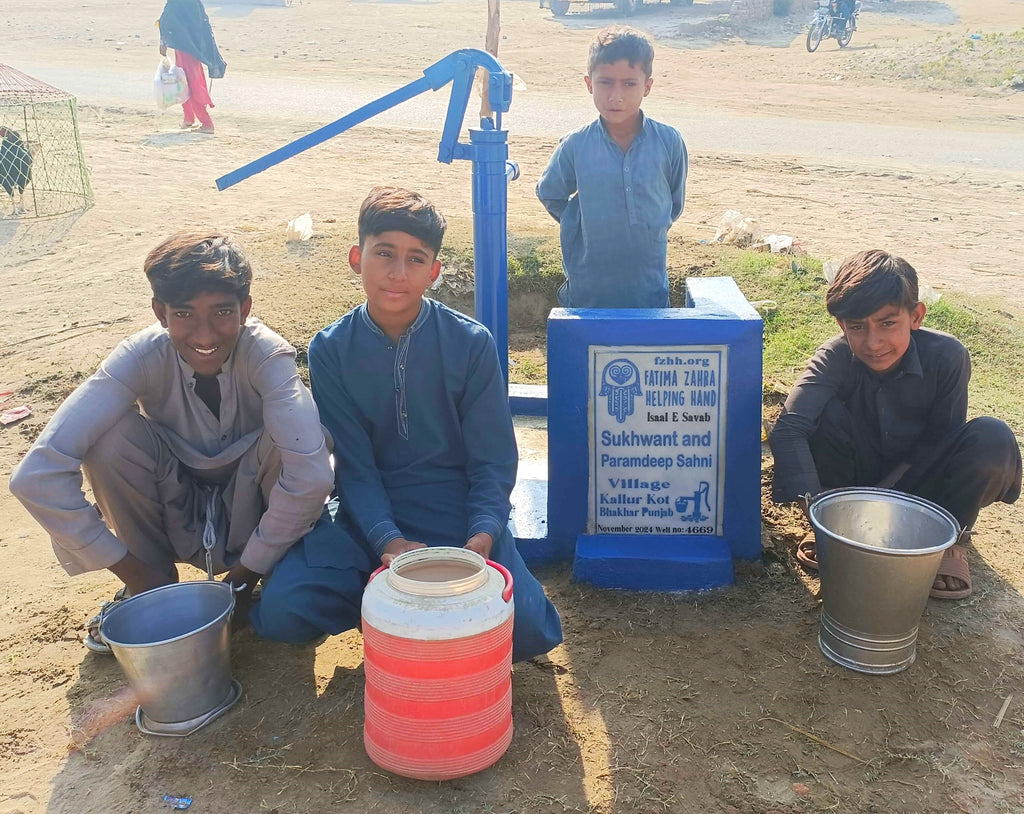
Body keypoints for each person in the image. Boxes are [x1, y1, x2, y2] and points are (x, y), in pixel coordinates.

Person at [251, 187, 563, 662]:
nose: (398, 274)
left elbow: (493, 460)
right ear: (357, 258)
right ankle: (390, 619)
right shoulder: (330, 349)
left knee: (526, 629)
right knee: (283, 609)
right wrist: (388, 542)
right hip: (366, 514)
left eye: (415, 260)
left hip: (456, 511)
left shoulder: (470, 343)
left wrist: (480, 536)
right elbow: (353, 466)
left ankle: (427, 620)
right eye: (384, 254)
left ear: (434, 271)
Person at [9, 232, 335, 651]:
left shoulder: (268, 356)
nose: (204, 334)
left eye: (222, 311)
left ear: (245, 309)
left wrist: (244, 577)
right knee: (110, 439)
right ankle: (152, 590)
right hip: (175, 503)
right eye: (184, 313)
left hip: (255, 510)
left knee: (297, 441)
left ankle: (271, 574)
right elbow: (36, 475)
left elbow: (310, 476)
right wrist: (136, 573)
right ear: (160, 313)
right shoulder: (138, 357)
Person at [769, 249, 1021, 599]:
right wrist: (818, 510)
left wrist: (890, 494)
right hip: (849, 481)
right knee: (817, 414)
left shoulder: (947, 356)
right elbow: (790, 428)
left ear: (916, 316)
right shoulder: (835, 356)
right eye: (857, 327)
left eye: (888, 323)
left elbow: (941, 440)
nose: (873, 342)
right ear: (842, 325)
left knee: (992, 436)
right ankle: (834, 522)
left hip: (918, 482)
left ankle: (949, 540)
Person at [535, 26, 687, 309]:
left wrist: (647, 223)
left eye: (629, 84)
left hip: (648, 290)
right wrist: (581, 222)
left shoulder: (668, 141)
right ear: (589, 83)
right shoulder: (576, 145)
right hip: (588, 292)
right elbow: (550, 193)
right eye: (606, 82)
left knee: (645, 351)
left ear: (648, 87)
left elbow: (673, 204)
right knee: (588, 352)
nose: (616, 96)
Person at [158, 0, 226, 134]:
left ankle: (206, 123)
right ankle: (189, 118)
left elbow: (167, 18)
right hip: (193, 46)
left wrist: (163, 41)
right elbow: (202, 23)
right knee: (185, 80)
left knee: (188, 82)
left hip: (185, 47)